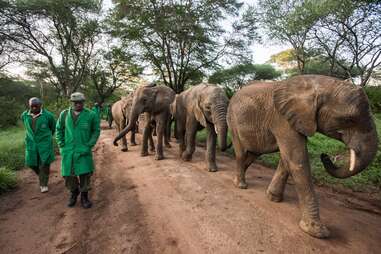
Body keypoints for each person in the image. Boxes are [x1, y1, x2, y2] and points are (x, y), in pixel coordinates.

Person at [56, 92, 100, 209]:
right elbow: (59, 129)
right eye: (75, 102)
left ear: (83, 102)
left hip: (84, 149)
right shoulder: (64, 114)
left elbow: (96, 131)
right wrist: (61, 145)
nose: (78, 104)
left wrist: (89, 145)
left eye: (80, 102)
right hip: (68, 150)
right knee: (68, 175)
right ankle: (74, 192)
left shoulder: (91, 115)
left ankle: (84, 196)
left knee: (85, 174)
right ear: (71, 103)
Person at [21, 97, 56, 193]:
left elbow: (53, 128)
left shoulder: (48, 116)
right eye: (32, 106)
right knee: (31, 163)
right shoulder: (24, 115)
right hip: (31, 143)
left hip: (45, 144)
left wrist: (46, 138)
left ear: (40, 105)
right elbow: (26, 127)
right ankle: (42, 175)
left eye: (37, 106)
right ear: (29, 106)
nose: (34, 108)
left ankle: (43, 184)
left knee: (44, 163)